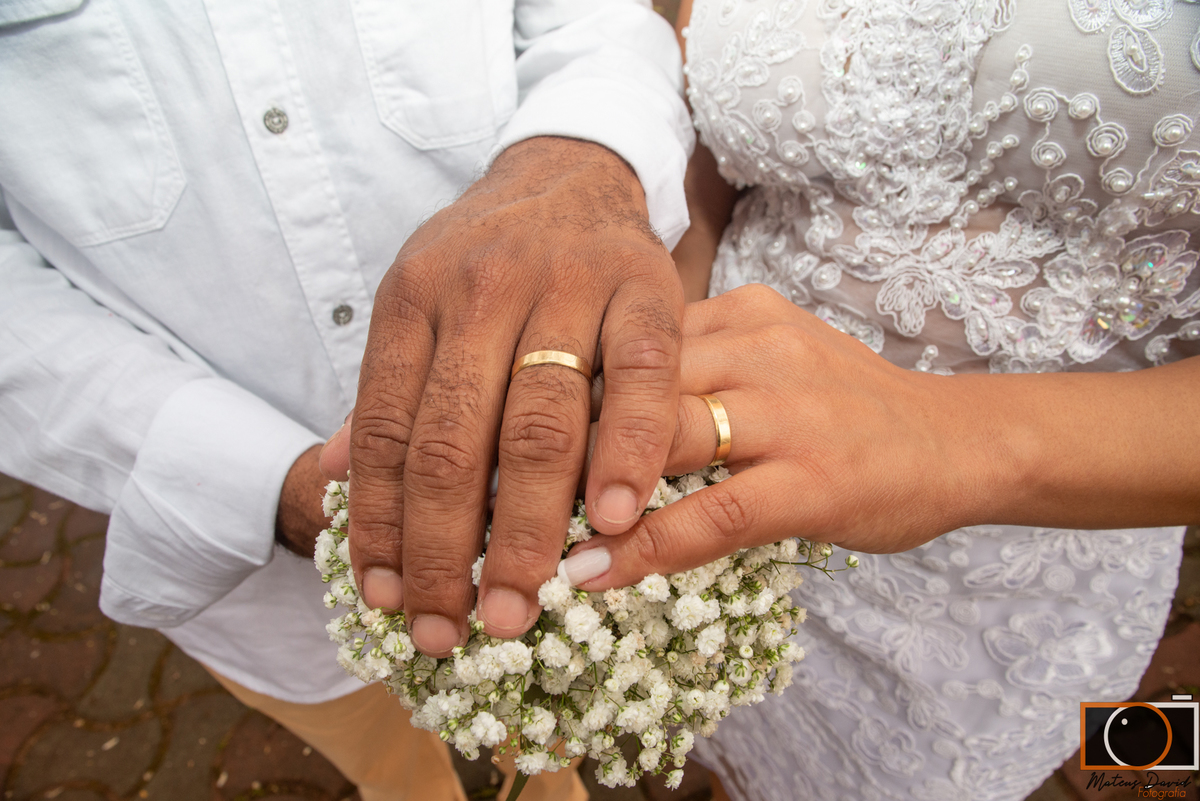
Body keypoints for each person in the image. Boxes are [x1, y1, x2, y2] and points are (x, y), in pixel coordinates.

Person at [0, 2, 694, 798]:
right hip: (271, 594)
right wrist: (256, 480)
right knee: (395, 772)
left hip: (550, 475)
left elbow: (590, 21)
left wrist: (582, 156)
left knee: (554, 734)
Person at [550, 0, 1200, 799]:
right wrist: (667, 314)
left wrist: (946, 441)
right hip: (712, 450)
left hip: (1002, 547)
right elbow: (716, 135)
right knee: (723, 721)